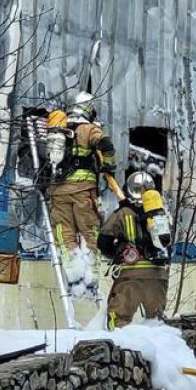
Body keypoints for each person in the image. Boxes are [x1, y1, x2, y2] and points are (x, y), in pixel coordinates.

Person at [45, 92, 117, 297]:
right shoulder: (88, 129)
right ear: (89, 109)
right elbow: (106, 145)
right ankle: (91, 274)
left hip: (57, 191)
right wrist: (110, 166)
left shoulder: (57, 129)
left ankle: (72, 271)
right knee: (89, 231)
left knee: (64, 230)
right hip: (83, 191)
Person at [98, 171, 173, 328]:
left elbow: (103, 242)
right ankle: (158, 352)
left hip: (130, 275)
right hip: (158, 275)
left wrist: (117, 253)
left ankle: (119, 349)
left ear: (129, 189)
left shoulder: (123, 213)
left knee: (118, 319)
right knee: (157, 323)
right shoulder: (162, 214)